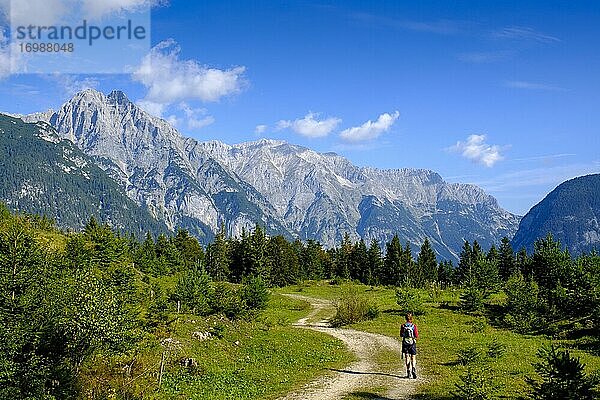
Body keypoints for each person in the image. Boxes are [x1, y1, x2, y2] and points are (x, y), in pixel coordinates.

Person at [400, 312, 418, 379]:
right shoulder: (414, 326)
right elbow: (416, 335)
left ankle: (408, 372)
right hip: (412, 343)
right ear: (411, 318)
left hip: (405, 343)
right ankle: (413, 369)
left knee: (407, 357)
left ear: (405, 318)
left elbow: (401, 335)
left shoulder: (403, 325)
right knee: (413, 357)